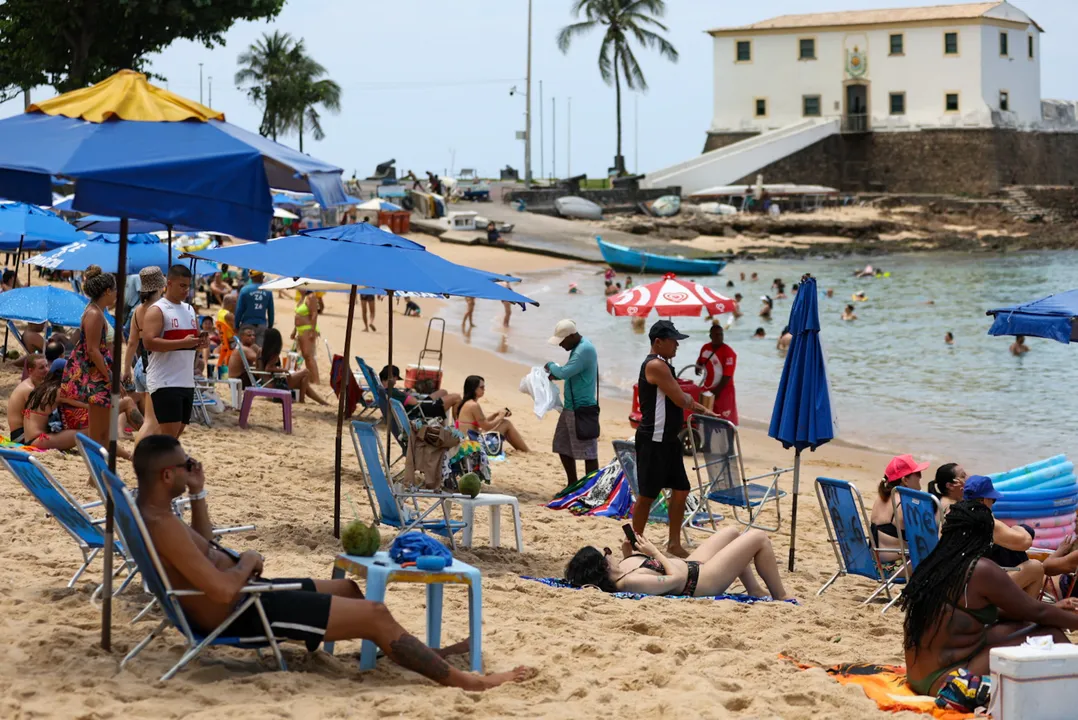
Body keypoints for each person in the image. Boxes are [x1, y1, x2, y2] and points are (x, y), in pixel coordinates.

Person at [132, 434, 534, 690]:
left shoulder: (153, 511)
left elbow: (202, 546)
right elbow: (220, 588)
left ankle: (399, 652)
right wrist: (247, 561)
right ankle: (467, 681)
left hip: (246, 595)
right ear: (168, 475)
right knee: (375, 613)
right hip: (242, 610)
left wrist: (199, 494)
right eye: (186, 465)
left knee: (348, 590)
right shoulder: (162, 523)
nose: (192, 467)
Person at [901, 500, 1078, 710]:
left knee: (1021, 626)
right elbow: (1037, 610)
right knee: (1049, 632)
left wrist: (1056, 610)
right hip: (950, 681)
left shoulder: (937, 565)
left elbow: (1009, 612)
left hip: (918, 675)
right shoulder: (981, 569)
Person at [632, 320, 714, 558]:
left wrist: (704, 410)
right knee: (647, 496)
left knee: (681, 490)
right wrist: (697, 404)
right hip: (653, 439)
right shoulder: (655, 365)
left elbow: (680, 397)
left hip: (668, 439)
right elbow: (680, 399)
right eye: (673, 340)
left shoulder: (665, 365)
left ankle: (674, 543)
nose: (677, 345)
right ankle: (632, 543)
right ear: (658, 342)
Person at [565, 526, 789, 600]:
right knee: (758, 538)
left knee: (732, 532)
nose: (609, 553)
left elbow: (652, 571)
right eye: (606, 553)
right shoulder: (630, 582)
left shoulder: (621, 572)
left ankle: (755, 590)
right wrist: (655, 552)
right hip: (702, 581)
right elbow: (676, 579)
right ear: (603, 565)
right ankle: (781, 596)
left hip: (693, 565)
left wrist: (628, 553)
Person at [58, 265, 119, 453]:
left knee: (102, 432)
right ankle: (94, 476)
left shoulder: (94, 311)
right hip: (96, 377)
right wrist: (109, 376)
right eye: (116, 290)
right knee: (98, 433)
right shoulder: (94, 314)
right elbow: (93, 350)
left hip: (97, 374)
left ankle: (95, 476)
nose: (117, 294)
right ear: (107, 291)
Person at [143, 265, 204, 439]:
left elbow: (193, 340)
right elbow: (148, 342)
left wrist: (200, 343)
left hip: (186, 380)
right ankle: (151, 464)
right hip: (165, 380)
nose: (186, 290)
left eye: (188, 286)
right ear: (169, 284)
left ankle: (150, 462)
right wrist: (182, 343)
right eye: (182, 285)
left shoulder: (190, 309)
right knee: (168, 437)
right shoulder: (158, 310)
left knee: (175, 434)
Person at [963, 475, 1045, 599]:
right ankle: (1027, 615)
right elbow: (1025, 542)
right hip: (977, 589)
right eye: (992, 500)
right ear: (983, 501)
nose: (992, 504)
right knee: (1036, 567)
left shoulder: (955, 515)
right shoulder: (985, 522)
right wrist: (1018, 528)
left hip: (961, 580)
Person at [545, 320, 599, 486]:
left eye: (562, 341)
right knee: (562, 445)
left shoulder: (584, 350)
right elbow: (570, 372)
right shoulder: (578, 347)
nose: (561, 345)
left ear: (572, 336)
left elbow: (565, 372)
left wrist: (551, 365)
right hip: (571, 408)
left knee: (588, 452)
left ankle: (591, 487)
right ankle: (573, 483)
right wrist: (557, 373)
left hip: (582, 409)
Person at [124, 266, 166, 444]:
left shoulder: (137, 311)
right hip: (154, 367)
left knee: (150, 420)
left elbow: (132, 343)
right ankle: (140, 453)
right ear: (160, 287)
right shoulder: (160, 310)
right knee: (153, 422)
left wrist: (126, 369)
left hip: (140, 365)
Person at [871, 454, 930, 563]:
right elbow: (926, 541)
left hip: (873, 562)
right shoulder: (904, 504)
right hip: (895, 566)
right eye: (917, 473)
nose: (920, 477)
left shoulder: (881, 497)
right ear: (905, 480)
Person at [452, 375, 529, 452]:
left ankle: (521, 449)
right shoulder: (474, 405)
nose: (484, 390)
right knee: (506, 423)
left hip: (467, 442)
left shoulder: (466, 403)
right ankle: (526, 450)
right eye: (481, 388)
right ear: (474, 389)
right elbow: (487, 426)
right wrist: (500, 417)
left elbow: (481, 422)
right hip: (473, 446)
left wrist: (495, 414)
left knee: (503, 424)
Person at [259, 328, 328, 404]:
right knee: (306, 372)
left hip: (264, 383)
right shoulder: (274, 353)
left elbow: (259, 369)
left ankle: (320, 402)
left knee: (303, 383)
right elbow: (268, 368)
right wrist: (284, 370)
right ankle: (303, 400)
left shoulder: (260, 351)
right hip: (275, 384)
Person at [378, 365, 460, 419]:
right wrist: (407, 394)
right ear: (392, 377)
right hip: (421, 411)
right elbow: (414, 402)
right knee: (456, 397)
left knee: (443, 392)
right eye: (396, 379)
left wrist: (405, 394)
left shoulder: (382, 390)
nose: (396, 382)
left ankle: (442, 425)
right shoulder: (394, 392)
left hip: (418, 407)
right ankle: (457, 426)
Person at [694, 323, 737, 425]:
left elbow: (727, 375)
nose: (719, 337)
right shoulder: (705, 348)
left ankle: (727, 441)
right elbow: (700, 360)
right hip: (708, 389)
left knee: (725, 422)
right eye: (716, 335)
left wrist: (716, 392)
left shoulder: (729, 352)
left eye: (721, 334)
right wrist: (697, 367)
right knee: (706, 419)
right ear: (710, 336)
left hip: (724, 391)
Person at [8, 354, 47, 442]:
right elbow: (39, 418)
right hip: (20, 436)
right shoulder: (29, 389)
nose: (46, 370)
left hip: (23, 432)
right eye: (41, 368)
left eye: (46, 366)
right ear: (30, 371)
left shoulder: (33, 384)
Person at [234, 271, 273, 346]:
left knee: (244, 350)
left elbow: (239, 310)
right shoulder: (268, 292)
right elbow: (271, 311)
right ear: (260, 277)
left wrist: (236, 325)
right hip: (261, 325)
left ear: (251, 277)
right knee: (259, 351)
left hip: (247, 324)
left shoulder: (245, 290)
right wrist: (270, 326)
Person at [293, 290, 321, 384]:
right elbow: (298, 316)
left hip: (307, 329)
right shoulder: (302, 297)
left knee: (309, 356)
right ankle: (311, 378)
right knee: (305, 355)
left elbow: (314, 314)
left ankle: (316, 380)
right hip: (300, 329)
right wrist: (294, 331)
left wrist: (312, 331)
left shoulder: (311, 296)